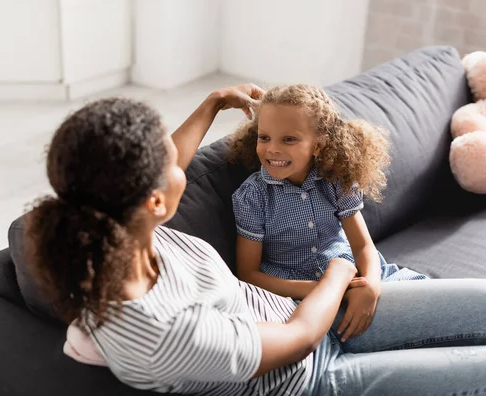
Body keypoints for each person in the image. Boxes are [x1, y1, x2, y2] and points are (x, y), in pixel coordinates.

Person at [25, 84, 486, 396]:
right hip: (313, 373)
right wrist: (341, 272)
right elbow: (301, 338)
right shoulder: (164, 333)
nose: (179, 159)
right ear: (155, 201)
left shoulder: (123, 232)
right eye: (168, 160)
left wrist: (213, 103)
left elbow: (169, 163)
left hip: (316, 311)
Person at [230, 84, 428, 342]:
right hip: (301, 293)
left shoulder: (336, 181)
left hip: (357, 276)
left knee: (433, 300)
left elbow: (362, 246)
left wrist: (370, 286)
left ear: (318, 145)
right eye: (264, 137)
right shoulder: (252, 196)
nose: (272, 149)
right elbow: (248, 274)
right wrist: (328, 290)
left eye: (288, 139)